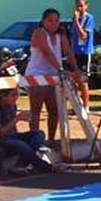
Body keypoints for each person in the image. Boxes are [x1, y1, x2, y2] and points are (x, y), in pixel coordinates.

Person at [25, 8, 80, 144]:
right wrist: (61, 70)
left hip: (54, 77)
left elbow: (68, 52)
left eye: (56, 21)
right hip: (37, 76)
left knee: (54, 111)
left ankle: (51, 140)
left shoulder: (60, 34)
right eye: (50, 20)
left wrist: (76, 69)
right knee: (36, 110)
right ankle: (35, 141)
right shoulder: (39, 33)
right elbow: (47, 53)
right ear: (44, 21)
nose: (54, 23)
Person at [0, 87, 59, 174]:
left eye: (17, 94)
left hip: (10, 136)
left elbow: (13, 129)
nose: (16, 98)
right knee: (20, 144)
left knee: (38, 134)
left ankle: (20, 165)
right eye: (13, 95)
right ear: (2, 96)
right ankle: (46, 167)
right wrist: (17, 118)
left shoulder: (11, 106)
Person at [70, 0, 95, 113]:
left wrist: (76, 21)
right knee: (73, 80)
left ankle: (86, 107)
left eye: (81, 6)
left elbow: (83, 36)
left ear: (86, 6)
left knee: (83, 80)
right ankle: (77, 104)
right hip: (74, 53)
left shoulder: (89, 18)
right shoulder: (74, 19)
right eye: (77, 6)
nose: (78, 8)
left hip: (84, 53)